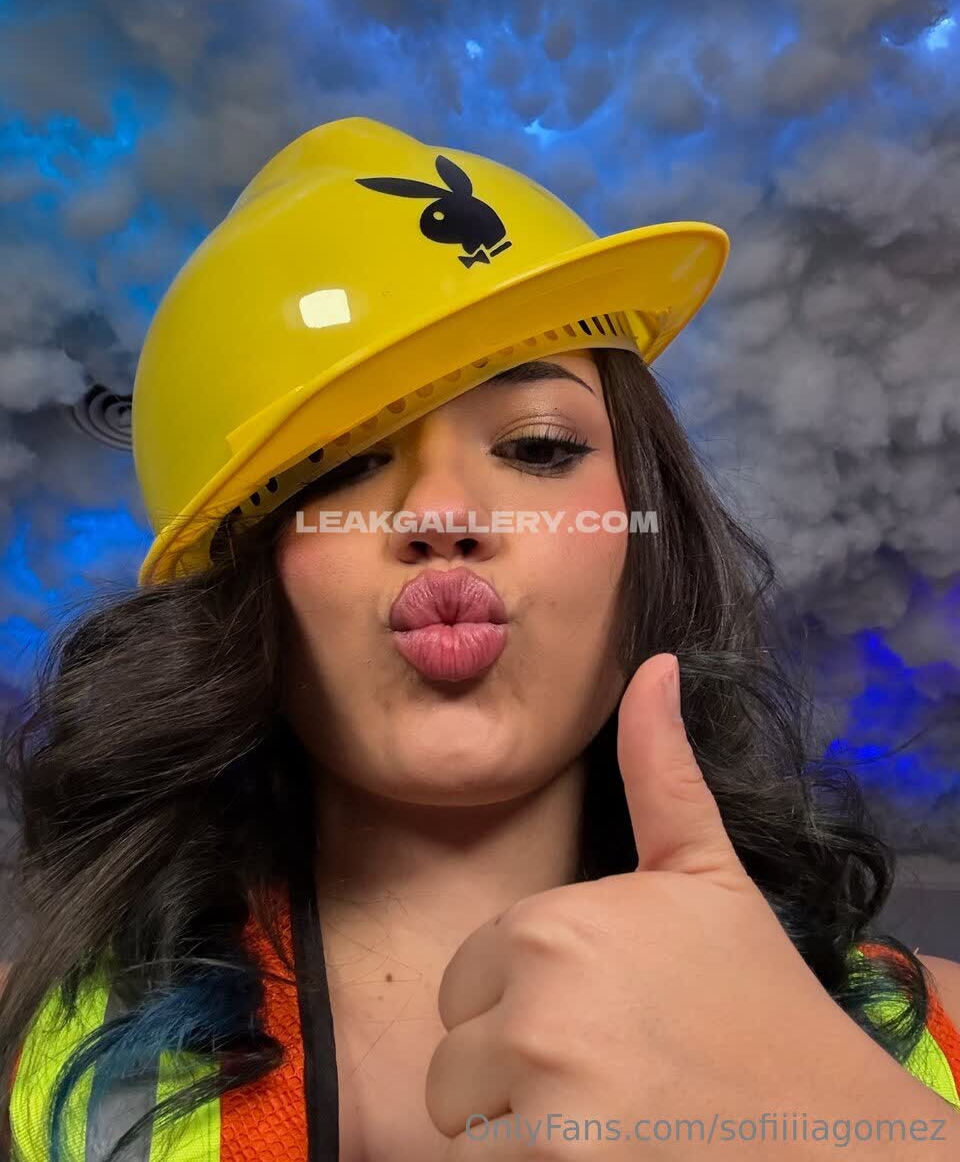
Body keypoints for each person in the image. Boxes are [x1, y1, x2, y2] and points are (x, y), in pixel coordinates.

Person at [0, 116, 958, 1162]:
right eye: (337, 466)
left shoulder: (933, 1048)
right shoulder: (28, 1057)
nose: (441, 511)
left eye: (538, 447)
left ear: (646, 522)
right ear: (238, 583)